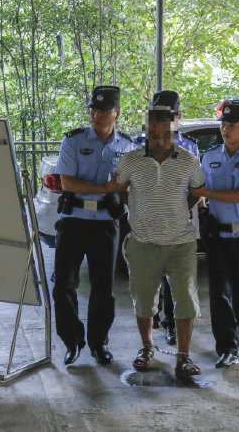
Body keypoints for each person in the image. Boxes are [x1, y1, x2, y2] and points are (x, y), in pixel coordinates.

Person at [107, 90, 205, 378]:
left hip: (181, 243)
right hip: (143, 242)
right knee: (144, 299)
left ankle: (184, 357)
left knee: (185, 300)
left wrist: (178, 211)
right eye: (154, 133)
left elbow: (196, 192)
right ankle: (147, 348)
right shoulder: (130, 160)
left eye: (166, 134)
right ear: (146, 131)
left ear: (174, 132)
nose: (160, 139)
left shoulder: (189, 160)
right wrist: (139, 210)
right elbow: (120, 188)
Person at [53, 85, 135, 366]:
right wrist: (105, 188)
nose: (97, 115)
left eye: (104, 111)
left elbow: (129, 186)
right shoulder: (73, 141)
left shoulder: (128, 146)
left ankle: (99, 343)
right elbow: (67, 182)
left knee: (103, 288)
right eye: (94, 110)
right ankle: (72, 341)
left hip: (105, 224)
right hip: (73, 220)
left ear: (117, 114)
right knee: (63, 284)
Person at [190, 99, 239, 368]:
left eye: (232, 125)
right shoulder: (210, 156)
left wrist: (204, 193)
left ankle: (236, 338)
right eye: (223, 124)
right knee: (218, 292)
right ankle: (226, 346)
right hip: (218, 236)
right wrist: (200, 205)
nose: (226, 129)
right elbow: (198, 191)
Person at [132, 96, 200, 347]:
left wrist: (179, 210)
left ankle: (171, 324)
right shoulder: (138, 145)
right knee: (148, 283)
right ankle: (152, 327)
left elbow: (196, 189)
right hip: (146, 227)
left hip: (176, 229)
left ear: (178, 116)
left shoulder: (190, 148)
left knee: (176, 284)